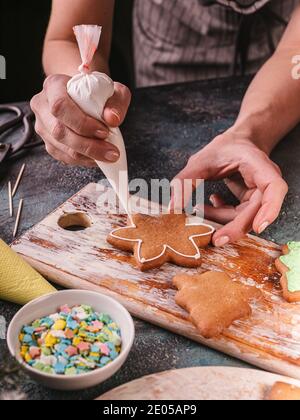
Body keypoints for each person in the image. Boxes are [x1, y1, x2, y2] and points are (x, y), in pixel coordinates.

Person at [31, 0, 300, 247]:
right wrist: (79, 98)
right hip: (164, 77)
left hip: (284, 84)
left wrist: (250, 133)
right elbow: (66, 37)